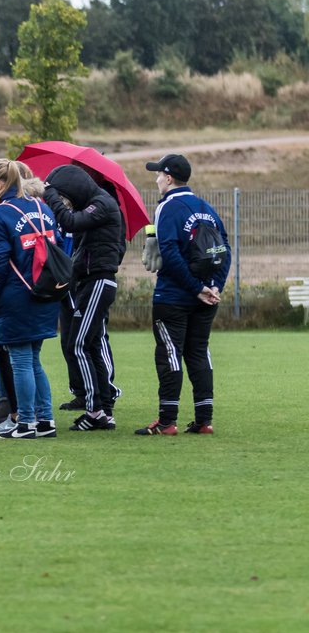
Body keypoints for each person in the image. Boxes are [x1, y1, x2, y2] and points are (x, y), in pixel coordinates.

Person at [136, 154, 230, 436]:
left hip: (174, 296)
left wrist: (195, 288)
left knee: (169, 355)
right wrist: (214, 287)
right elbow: (223, 250)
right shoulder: (206, 207)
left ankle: (166, 421)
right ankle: (204, 420)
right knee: (198, 352)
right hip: (206, 297)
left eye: (157, 175)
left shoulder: (167, 207)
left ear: (168, 177)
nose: (156, 180)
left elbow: (170, 253)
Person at [0, 159, 60, 440]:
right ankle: (45, 420)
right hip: (46, 293)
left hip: (15, 297)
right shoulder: (43, 208)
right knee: (34, 360)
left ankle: (26, 423)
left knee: (21, 361)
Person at [43, 164, 126, 431]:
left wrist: (51, 195)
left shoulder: (102, 203)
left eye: (66, 196)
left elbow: (70, 222)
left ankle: (95, 410)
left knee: (79, 344)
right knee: (88, 345)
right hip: (91, 282)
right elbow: (80, 247)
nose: (65, 202)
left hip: (99, 282)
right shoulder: (97, 203)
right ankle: (104, 410)